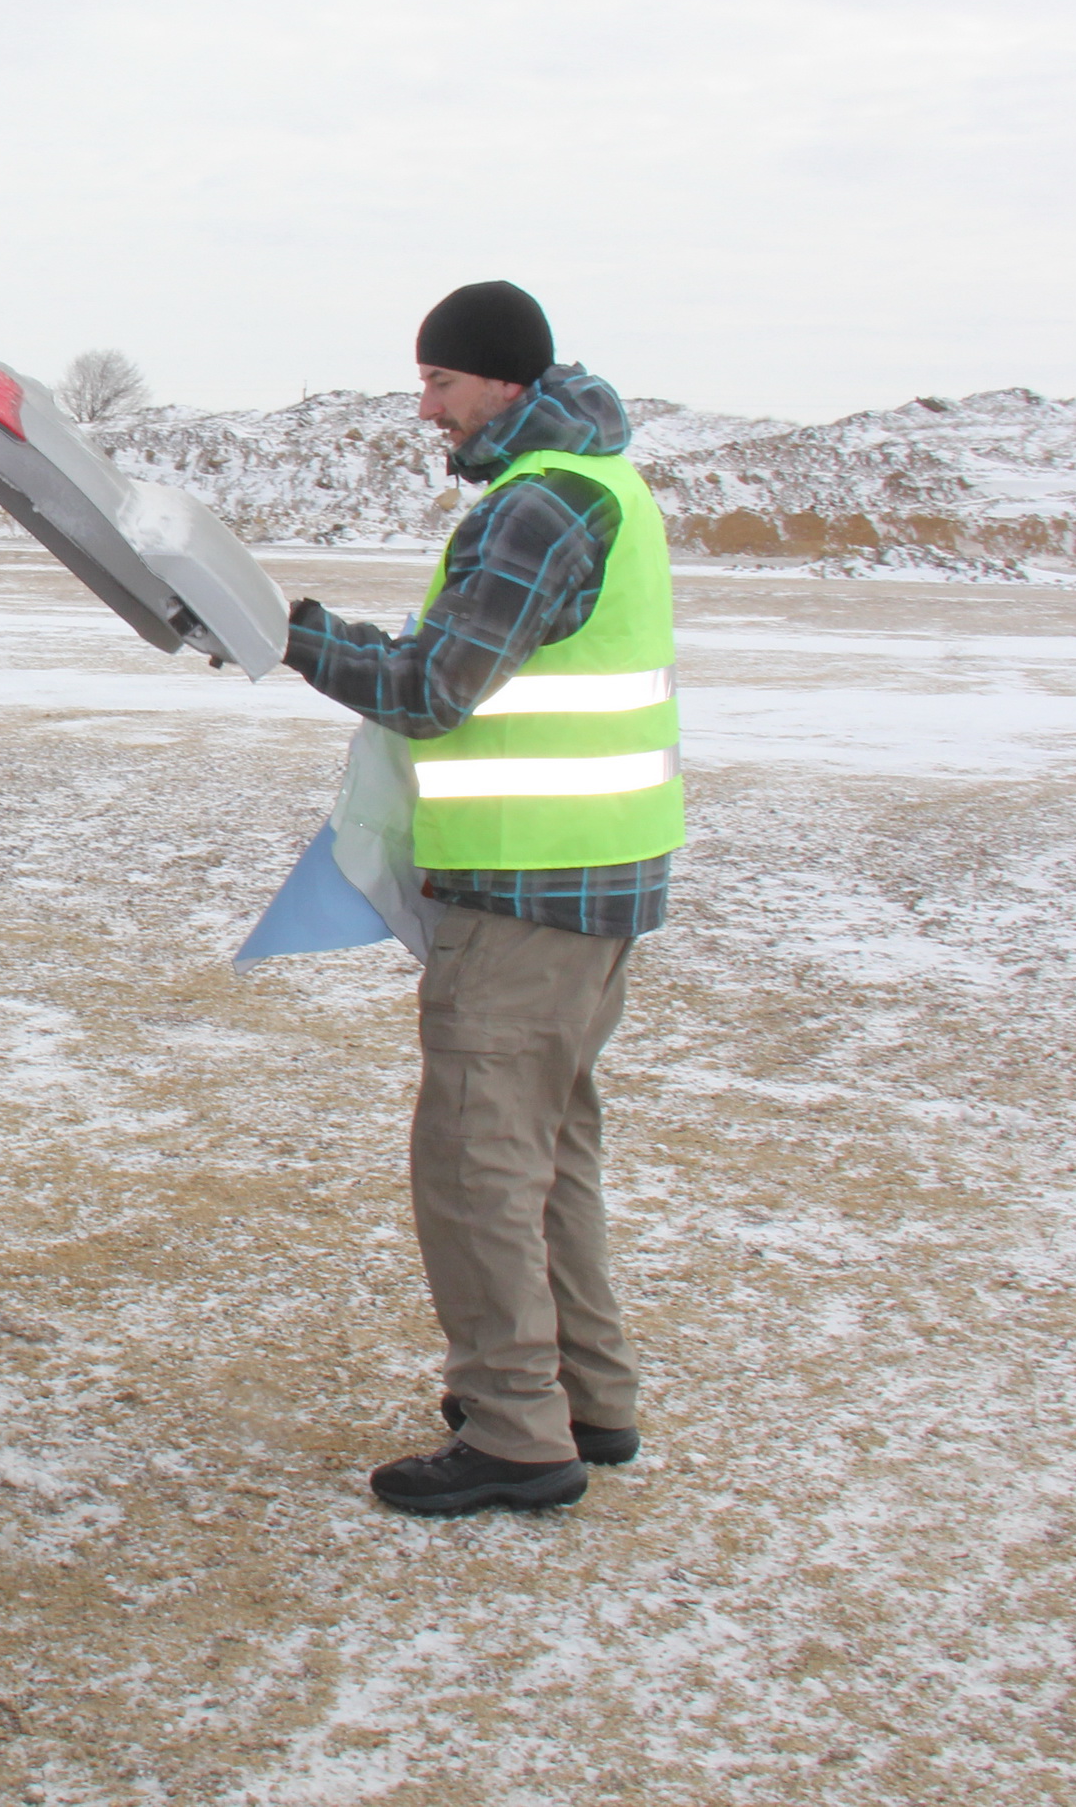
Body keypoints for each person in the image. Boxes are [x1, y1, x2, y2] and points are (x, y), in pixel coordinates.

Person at [281, 280, 681, 1516]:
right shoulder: (600, 482)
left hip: (525, 891)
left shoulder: (540, 503)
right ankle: (585, 1396)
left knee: (475, 1160)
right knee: (547, 1150)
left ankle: (514, 1430)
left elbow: (431, 687)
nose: (427, 409)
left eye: (440, 382)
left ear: (504, 380)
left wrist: (288, 636)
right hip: (590, 879)